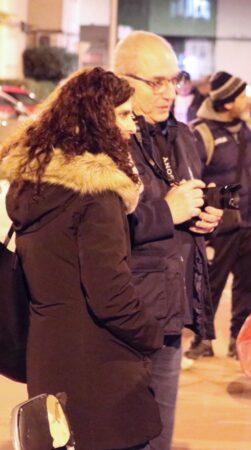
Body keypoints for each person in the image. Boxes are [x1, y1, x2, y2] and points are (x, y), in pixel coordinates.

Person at [0, 67, 163, 449]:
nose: (131, 127)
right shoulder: (96, 197)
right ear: (95, 119)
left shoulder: (34, 187)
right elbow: (110, 296)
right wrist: (151, 335)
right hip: (99, 370)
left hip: (47, 359)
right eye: (122, 115)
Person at [114, 31, 222, 450]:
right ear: (121, 80)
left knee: (158, 437)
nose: (168, 92)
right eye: (155, 82)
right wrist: (167, 212)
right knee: (117, 435)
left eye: (174, 80)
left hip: (171, 313)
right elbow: (91, 234)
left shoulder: (183, 135)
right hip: (121, 316)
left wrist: (201, 219)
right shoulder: (106, 141)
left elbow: (182, 202)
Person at [185, 71, 251, 360]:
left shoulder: (250, 123)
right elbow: (192, 181)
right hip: (222, 225)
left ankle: (240, 340)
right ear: (227, 104)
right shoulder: (201, 134)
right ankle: (203, 339)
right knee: (211, 285)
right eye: (241, 96)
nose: (247, 99)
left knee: (248, 286)